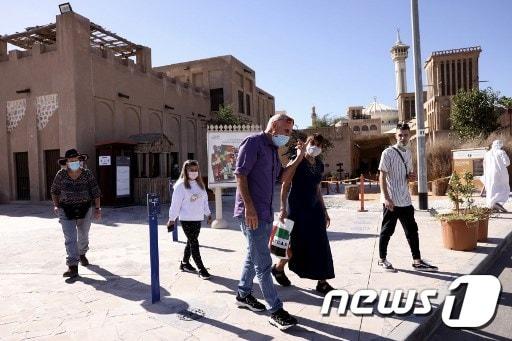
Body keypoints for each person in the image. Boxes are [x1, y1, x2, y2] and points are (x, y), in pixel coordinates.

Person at [234, 113, 300, 330]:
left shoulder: (273, 150)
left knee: (252, 254)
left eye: (290, 132)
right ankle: (275, 310)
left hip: (264, 213)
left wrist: (298, 157)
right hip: (251, 213)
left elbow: (282, 178)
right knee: (263, 264)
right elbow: (240, 175)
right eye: (286, 131)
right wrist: (249, 208)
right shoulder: (253, 143)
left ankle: (243, 294)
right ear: (273, 127)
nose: (288, 136)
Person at [272, 133, 335, 294]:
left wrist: (324, 210)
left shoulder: (319, 164)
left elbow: (317, 189)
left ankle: (322, 282)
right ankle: (278, 268)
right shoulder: (297, 160)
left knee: (320, 245)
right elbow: (285, 184)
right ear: (306, 143)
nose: (316, 146)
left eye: (319, 145)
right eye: (313, 142)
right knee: (294, 245)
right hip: (297, 209)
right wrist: (282, 208)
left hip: (315, 211)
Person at [377, 123, 438, 273]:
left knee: (412, 231)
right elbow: (382, 176)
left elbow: (408, 176)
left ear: (409, 135)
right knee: (387, 231)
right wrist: (386, 198)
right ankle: (382, 259)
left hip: (405, 200)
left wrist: (410, 177)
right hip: (391, 200)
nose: (403, 138)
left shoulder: (408, 153)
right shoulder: (388, 153)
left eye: (405, 135)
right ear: (395, 136)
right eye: (400, 135)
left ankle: (417, 261)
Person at [51, 149, 101, 278]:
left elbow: (96, 192)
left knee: (83, 234)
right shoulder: (60, 175)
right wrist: (56, 206)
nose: (74, 162)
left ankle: (82, 253)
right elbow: (54, 191)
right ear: (66, 162)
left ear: (80, 161)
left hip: (85, 209)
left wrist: (97, 209)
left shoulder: (87, 174)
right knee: (70, 238)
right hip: (65, 209)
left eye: (76, 160)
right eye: (71, 161)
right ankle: (72, 266)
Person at [167, 160, 213, 280]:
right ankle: (201, 268)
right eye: (191, 170)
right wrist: (172, 219)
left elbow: (204, 201)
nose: (194, 172)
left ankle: (184, 263)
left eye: (195, 170)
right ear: (185, 171)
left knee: (191, 241)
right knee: (194, 242)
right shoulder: (180, 186)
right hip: (186, 219)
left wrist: (208, 214)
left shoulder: (200, 185)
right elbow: (175, 204)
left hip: (198, 218)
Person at [483, 139, 511, 212]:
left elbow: (484, 165)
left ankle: (492, 205)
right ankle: (497, 203)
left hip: (489, 175)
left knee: (491, 189)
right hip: (500, 174)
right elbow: (507, 163)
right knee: (503, 188)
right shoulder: (501, 152)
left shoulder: (487, 154)